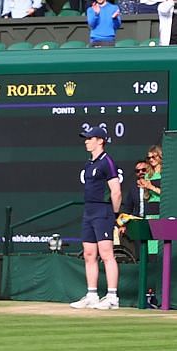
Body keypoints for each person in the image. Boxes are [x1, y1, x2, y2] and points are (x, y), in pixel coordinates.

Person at [70, 126, 123, 310]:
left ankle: (112, 297)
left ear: (100, 141)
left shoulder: (107, 162)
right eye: (86, 138)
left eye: (90, 138)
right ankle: (92, 295)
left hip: (104, 212)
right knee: (89, 254)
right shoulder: (89, 163)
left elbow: (116, 192)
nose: (86, 141)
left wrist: (114, 215)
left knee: (107, 254)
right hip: (89, 212)